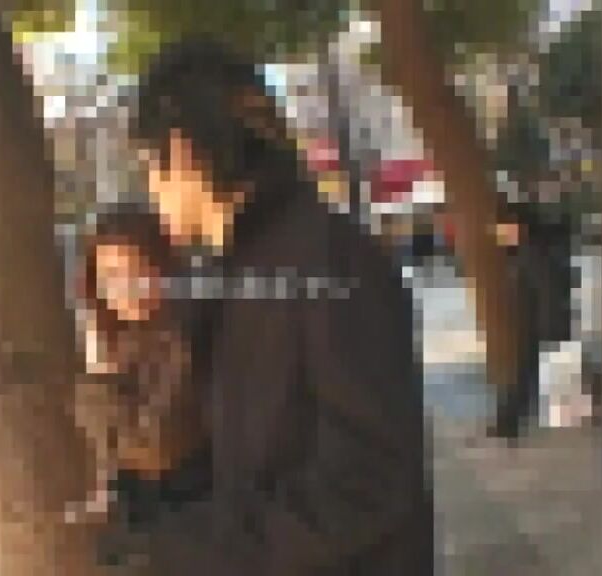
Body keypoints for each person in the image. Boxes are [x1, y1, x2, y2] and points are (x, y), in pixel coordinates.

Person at [124, 37, 433, 574]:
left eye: (150, 166)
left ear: (182, 150)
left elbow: (368, 483)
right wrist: (152, 511)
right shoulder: (226, 273)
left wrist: (180, 547)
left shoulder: (331, 259)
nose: (151, 191)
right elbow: (250, 462)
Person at [66, 211, 205, 529]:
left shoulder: (184, 334)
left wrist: (100, 378)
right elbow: (106, 446)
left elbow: (156, 446)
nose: (126, 288)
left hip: (192, 512)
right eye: (111, 276)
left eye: (138, 270)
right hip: (143, 515)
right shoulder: (120, 339)